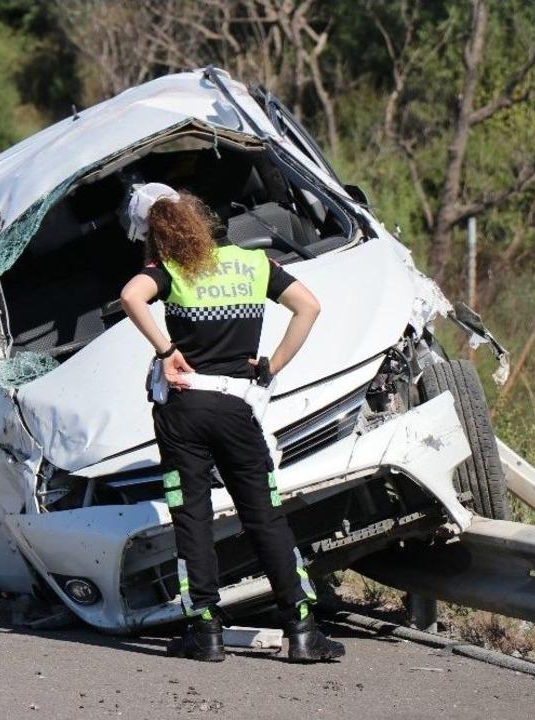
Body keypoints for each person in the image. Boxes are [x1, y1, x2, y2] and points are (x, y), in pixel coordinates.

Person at [119, 183, 344, 662]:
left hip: (183, 410)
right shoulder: (254, 263)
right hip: (238, 408)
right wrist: (272, 365)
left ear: (155, 234)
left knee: (192, 517)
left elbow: (130, 297)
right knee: (265, 515)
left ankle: (205, 630)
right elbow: (310, 307)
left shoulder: (168, 270)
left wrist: (167, 350)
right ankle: (302, 629)